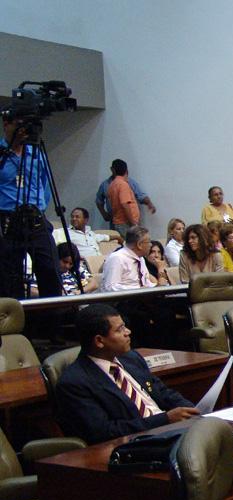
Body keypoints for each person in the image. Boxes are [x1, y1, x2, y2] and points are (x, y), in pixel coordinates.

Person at [55, 304, 199, 444]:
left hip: (172, 432)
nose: (128, 332)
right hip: (137, 444)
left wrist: (193, 411)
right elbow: (104, 432)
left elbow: (163, 392)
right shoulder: (75, 382)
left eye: (124, 326)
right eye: (120, 329)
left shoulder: (131, 358)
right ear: (99, 341)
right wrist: (164, 420)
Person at [0, 114, 61, 299]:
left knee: (50, 268)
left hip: (36, 219)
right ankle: (16, 314)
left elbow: (44, 184)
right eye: (19, 125)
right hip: (8, 221)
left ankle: (52, 314)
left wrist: (40, 207)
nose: (24, 130)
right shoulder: (1, 154)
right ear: (6, 124)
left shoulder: (35, 153)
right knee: (10, 277)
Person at [101, 226, 172, 346]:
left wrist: (155, 287)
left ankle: (165, 349)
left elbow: (145, 282)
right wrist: (137, 290)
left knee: (166, 312)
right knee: (141, 318)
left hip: (141, 299)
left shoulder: (140, 259)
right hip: (123, 302)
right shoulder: (117, 258)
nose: (150, 245)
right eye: (148, 242)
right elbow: (110, 287)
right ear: (139, 244)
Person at [95, 159, 155, 224]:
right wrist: (104, 214)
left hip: (126, 221)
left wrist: (149, 203)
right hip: (124, 221)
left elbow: (141, 196)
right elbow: (124, 204)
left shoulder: (130, 182)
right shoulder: (107, 185)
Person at [106, 160, 141, 229]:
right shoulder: (123, 185)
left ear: (113, 171)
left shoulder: (112, 184)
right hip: (126, 223)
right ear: (126, 171)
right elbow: (125, 204)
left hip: (120, 222)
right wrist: (133, 223)